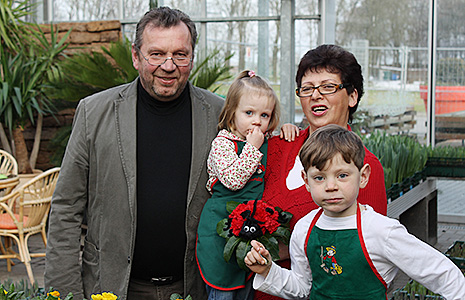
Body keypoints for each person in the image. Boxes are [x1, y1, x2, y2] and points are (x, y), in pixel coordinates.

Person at [44, 7, 224, 300]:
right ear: (136, 56)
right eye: (156, 54)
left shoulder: (219, 114)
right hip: (113, 288)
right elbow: (66, 208)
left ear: (192, 57)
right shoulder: (94, 112)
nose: (169, 65)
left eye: (180, 54)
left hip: (194, 288)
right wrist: (64, 292)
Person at [245, 124, 465, 300]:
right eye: (320, 177)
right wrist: (267, 271)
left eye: (342, 175)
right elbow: (303, 288)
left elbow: (440, 271)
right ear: (306, 181)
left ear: (363, 176)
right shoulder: (304, 230)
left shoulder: (381, 231)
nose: (331, 186)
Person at [255, 44, 388, 300]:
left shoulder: (364, 167)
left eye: (328, 87)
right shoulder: (278, 147)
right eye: (307, 89)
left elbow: (366, 251)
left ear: (352, 97)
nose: (316, 95)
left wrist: (284, 249)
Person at [195, 70, 281, 300]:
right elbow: (233, 180)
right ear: (232, 113)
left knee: (246, 288)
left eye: (264, 115)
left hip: (249, 227)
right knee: (223, 289)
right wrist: (252, 148)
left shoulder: (261, 141)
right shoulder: (222, 144)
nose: (257, 121)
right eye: (249, 113)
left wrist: (288, 130)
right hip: (220, 228)